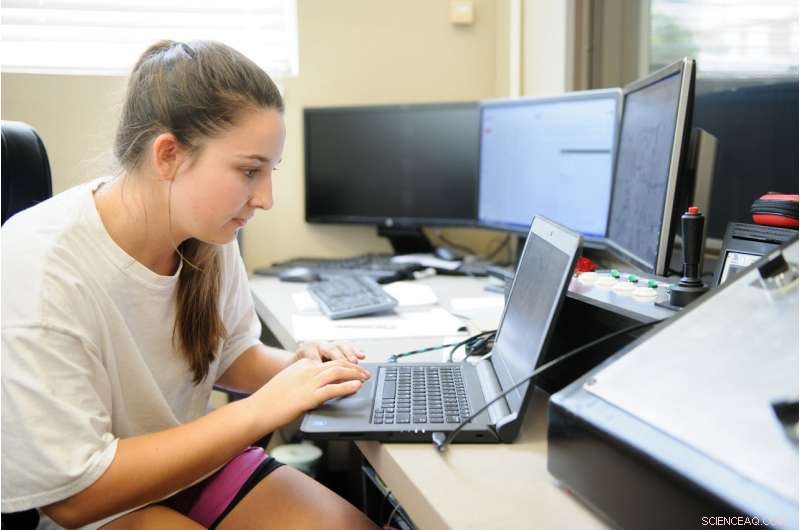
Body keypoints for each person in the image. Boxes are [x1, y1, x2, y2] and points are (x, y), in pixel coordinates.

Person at [1, 40, 378, 530]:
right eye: (249, 170)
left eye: (270, 171)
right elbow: (76, 497)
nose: (265, 198)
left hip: (193, 466)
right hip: (99, 502)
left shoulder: (208, 231)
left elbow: (230, 355)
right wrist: (264, 408)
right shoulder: (41, 262)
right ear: (169, 155)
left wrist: (299, 370)